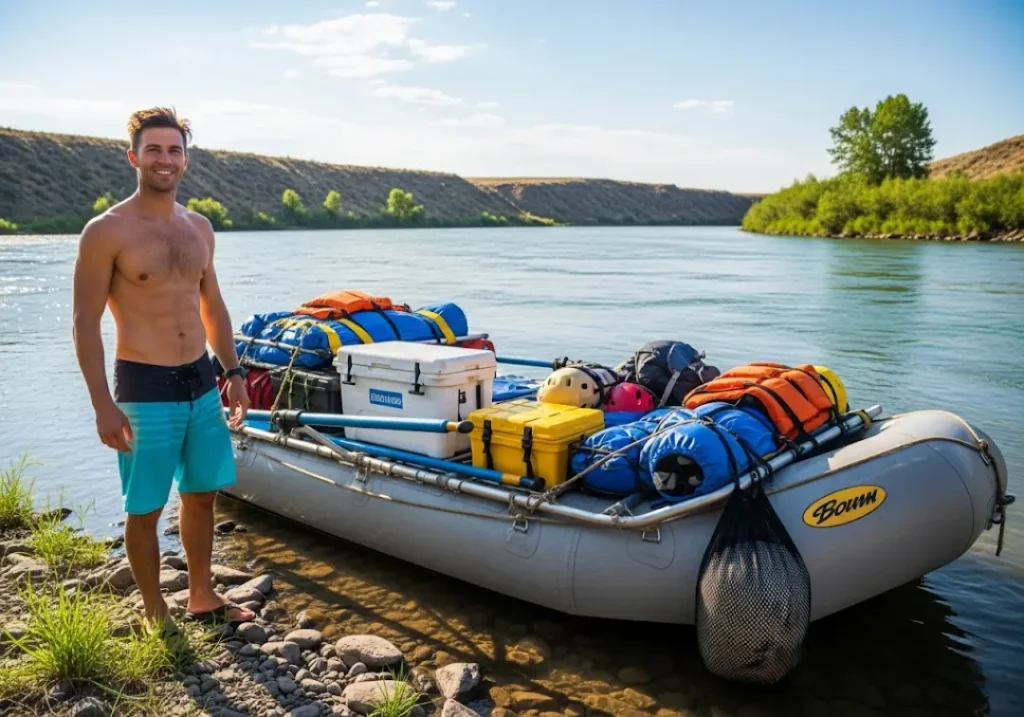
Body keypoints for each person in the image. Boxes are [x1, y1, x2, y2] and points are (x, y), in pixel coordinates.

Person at [71, 106, 255, 631]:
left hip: (200, 381)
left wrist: (233, 372)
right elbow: (84, 323)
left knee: (201, 494)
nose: (164, 159)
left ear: (186, 160)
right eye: (153, 149)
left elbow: (212, 307)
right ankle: (155, 611)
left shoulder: (198, 228)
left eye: (174, 150)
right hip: (143, 386)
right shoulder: (105, 231)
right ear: (134, 157)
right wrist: (101, 404)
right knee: (145, 506)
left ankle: (202, 594)